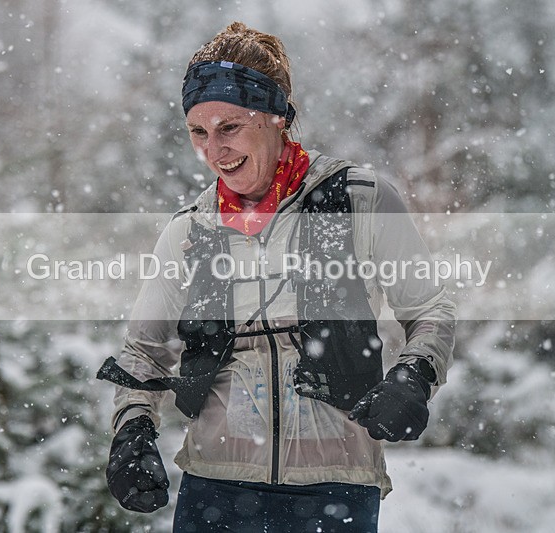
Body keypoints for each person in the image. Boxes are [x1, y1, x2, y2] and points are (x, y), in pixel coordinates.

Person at [98, 21, 456, 533]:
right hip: (215, 488)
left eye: (229, 127)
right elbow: (142, 351)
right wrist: (132, 431)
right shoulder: (190, 231)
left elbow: (431, 310)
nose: (213, 151)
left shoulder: (359, 200)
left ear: (276, 117)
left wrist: (413, 376)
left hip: (335, 487)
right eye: (198, 132)